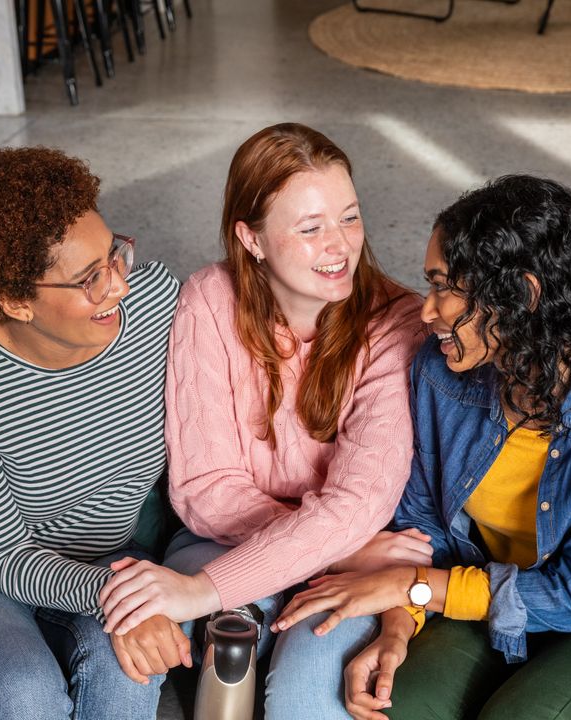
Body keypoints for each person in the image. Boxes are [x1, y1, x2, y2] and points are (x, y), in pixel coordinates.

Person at [273, 175, 571, 720]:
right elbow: (423, 525)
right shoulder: (439, 374)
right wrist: (399, 626)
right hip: (478, 597)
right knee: (394, 707)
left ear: (521, 295)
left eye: (444, 287)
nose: (426, 311)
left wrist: (411, 587)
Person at [96, 123, 428, 717]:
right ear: (251, 239)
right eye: (310, 228)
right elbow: (205, 491)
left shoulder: (397, 322)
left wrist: (334, 546)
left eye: (350, 218)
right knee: (227, 655)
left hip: (354, 552)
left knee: (306, 696)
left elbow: (360, 501)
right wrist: (338, 548)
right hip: (235, 543)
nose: (340, 245)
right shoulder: (209, 298)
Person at [0, 146, 187, 720]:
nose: (118, 287)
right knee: (24, 688)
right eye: (89, 278)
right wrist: (117, 598)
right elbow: (5, 558)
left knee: (128, 677)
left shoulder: (157, 305)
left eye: (115, 255)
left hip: (106, 563)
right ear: (17, 302)